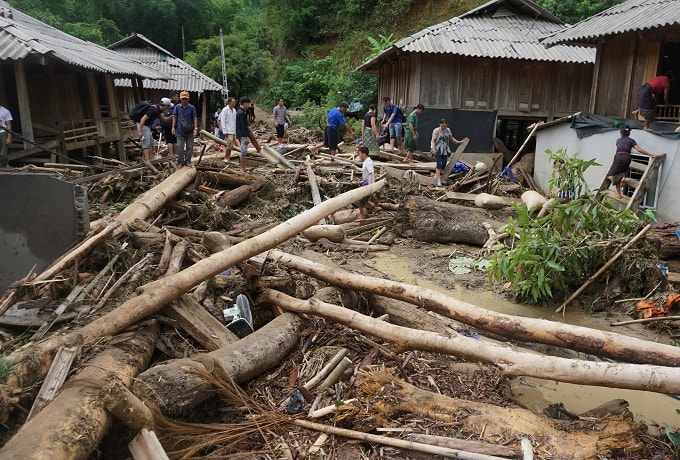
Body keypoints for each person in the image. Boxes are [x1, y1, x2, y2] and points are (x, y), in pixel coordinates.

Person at [601, 126, 658, 199]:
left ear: (621, 134)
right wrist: (651, 155)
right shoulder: (631, 140)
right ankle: (623, 178)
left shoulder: (618, 140)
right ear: (629, 133)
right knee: (624, 169)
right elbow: (639, 150)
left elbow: (619, 149)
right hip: (627, 157)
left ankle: (618, 194)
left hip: (618, 156)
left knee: (615, 174)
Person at [430, 119, 463, 187]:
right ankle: (438, 179)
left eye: (444, 126)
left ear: (446, 125)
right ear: (440, 125)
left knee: (444, 163)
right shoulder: (436, 130)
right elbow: (433, 140)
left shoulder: (448, 130)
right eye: (442, 126)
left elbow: (451, 138)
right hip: (438, 148)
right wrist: (433, 149)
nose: (443, 127)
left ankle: (437, 175)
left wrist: (458, 142)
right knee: (439, 163)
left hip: (445, 148)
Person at [171, 91, 198, 167]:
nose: (184, 101)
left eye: (185, 99)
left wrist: (195, 128)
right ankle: (180, 162)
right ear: (180, 99)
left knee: (190, 147)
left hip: (190, 130)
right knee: (180, 147)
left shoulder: (192, 108)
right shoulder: (177, 107)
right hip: (180, 131)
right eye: (182, 99)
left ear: (188, 99)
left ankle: (188, 161)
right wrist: (173, 127)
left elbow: (195, 117)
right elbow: (174, 117)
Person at [138, 98, 169, 164]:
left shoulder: (159, 110)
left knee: (151, 142)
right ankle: (147, 160)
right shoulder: (152, 110)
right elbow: (143, 119)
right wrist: (140, 131)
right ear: (166, 106)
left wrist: (172, 117)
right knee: (146, 142)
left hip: (147, 126)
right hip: (142, 124)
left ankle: (151, 158)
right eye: (168, 106)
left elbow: (164, 119)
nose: (168, 108)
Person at [236, 96, 261, 171]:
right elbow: (242, 126)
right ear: (244, 103)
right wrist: (246, 137)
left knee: (244, 150)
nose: (249, 105)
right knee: (243, 151)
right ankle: (242, 168)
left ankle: (243, 167)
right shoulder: (241, 113)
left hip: (243, 133)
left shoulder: (241, 111)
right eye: (248, 104)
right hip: (242, 134)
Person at [356, 146, 380, 219]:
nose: (359, 155)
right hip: (365, 183)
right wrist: (356, 168)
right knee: (365, 199)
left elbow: (372, 173)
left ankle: (361, 216)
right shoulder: (366, 161)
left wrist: (373, 184)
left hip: (368, 185)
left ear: (364, 154)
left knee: (360, 200)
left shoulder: (368, 162)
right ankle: (376, 208)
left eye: (360, 153)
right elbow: (364, 170)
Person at [218, 96, 238, 162]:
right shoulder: (225, 110)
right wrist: (225, 131)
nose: (234, 104)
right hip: (228, 130)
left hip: (233, 130)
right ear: (229, 102)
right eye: (233, 102)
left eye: (234, 103)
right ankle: (226, 158)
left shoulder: (234, 110)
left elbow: (235, 121)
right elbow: (222, 121)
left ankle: (228, 158)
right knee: (229, 145)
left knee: (231, 146)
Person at [0, 103, 13, 168]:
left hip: (3, 134)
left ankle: (4, 166)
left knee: (3, 153)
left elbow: (8, 124)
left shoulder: (5, 111)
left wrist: (9, 137)